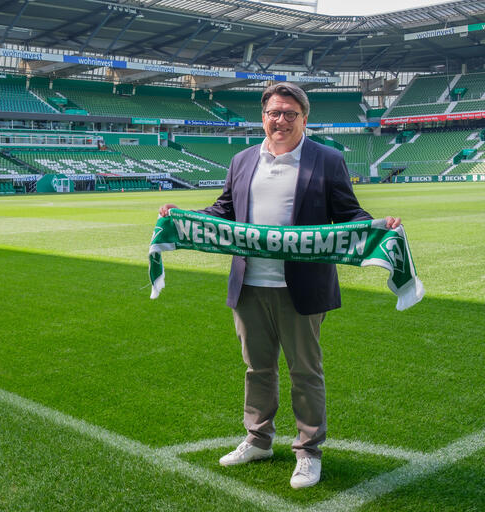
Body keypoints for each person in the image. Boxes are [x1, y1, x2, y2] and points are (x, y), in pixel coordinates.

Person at [159, 82, 401, 489]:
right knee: (257, 369)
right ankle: (258, 439)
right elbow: (224, 210)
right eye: (274, 112)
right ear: (263, 116)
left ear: (304, 118)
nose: (281, 120)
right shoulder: (241, 160)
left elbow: (348, 212)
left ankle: (308, 452)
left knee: (305, 372)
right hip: (249, 282)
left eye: (290, 113)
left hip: (302, 286)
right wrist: (182, 215)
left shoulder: (327, 160)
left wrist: (382, 226)